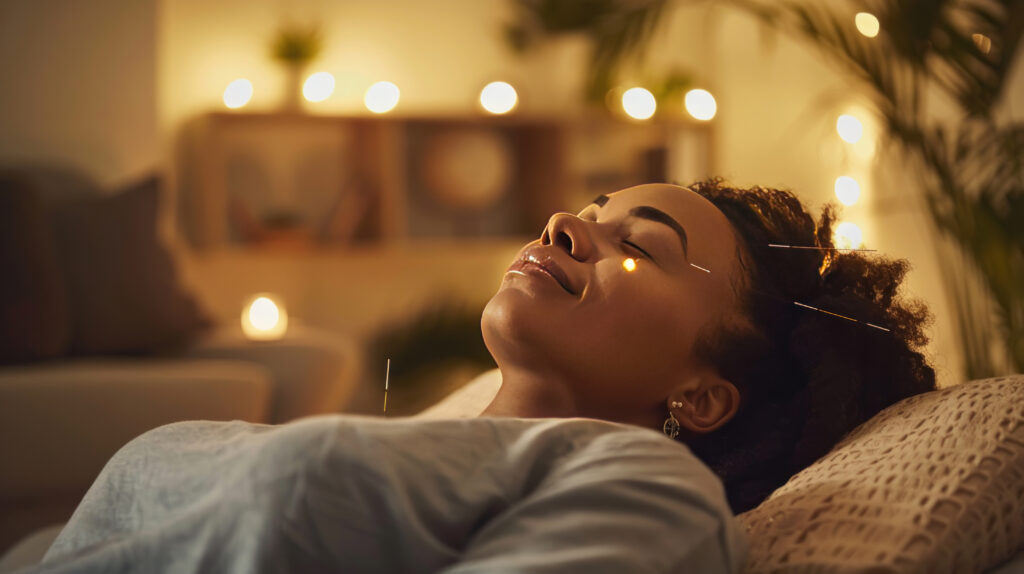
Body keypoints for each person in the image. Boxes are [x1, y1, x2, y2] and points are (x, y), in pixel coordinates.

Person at [31, 181, 934, 574]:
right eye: (590, 212)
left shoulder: (651, 492)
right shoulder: (400, 444)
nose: (563, 226)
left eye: (642, 248)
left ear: (699, 397)